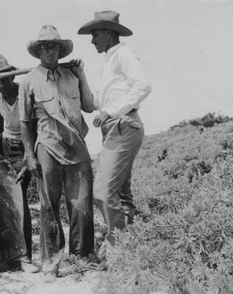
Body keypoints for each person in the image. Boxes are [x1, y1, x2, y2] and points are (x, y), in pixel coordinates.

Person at [19, 25, 95, 282]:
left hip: (77, 148)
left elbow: (88, 106)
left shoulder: (72, 75)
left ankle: (81, 258)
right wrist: (29, 154)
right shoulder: (29, 80)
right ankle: (51, 262)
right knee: (49, 207)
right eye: (45, 46)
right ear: (39, 50)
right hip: (47, 148)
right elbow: (26, 122)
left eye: (54, 46)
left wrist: (82, 74)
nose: (50, 50)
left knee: (82, 204)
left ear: (60, 49)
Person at [78, 11, 152, 260]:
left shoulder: (123, 54)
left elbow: (143, 85)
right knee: (121, 193)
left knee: (102, 191)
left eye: (95, 34)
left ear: (109, 32)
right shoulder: (110, 60)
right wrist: (80, 75)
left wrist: (110, 111)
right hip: (115, 130)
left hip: (123, 126)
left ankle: (116, 248)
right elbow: (95, 102)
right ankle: (133, 243)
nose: (92, 40)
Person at [0, 53, 38, 273]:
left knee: (20, 198)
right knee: (1, 201)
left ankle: (25, 256)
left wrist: (29, 155)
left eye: (5, 79)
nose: (1, 84)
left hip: (26, 146)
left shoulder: (25, 93)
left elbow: (35, 128)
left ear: (12, 77)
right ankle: (8, 253)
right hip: (6, 148)